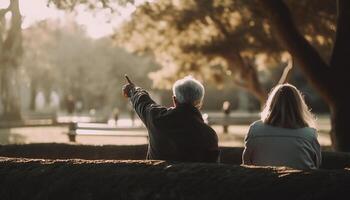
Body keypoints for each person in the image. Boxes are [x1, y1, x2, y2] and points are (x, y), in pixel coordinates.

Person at [122, 75, 219, 163]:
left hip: (155, 180)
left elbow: (143, 102)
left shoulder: (156, 118)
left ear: (174, 100)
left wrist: (133, 90)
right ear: (200, 103)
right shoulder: (209, 134)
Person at [242, 83, 321, 170]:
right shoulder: (309, 135)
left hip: (262, 182)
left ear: (271, 104)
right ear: (299, 106)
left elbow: (246, 163)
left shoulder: (255, 130)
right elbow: (316, 164)